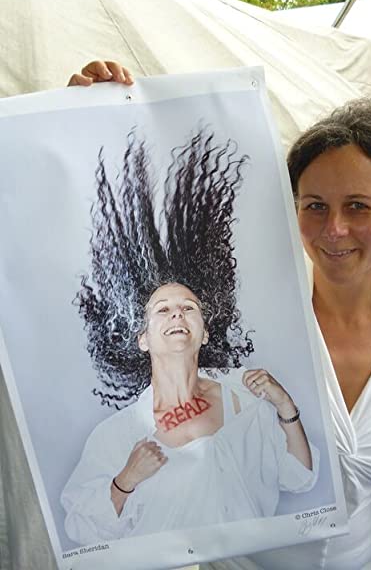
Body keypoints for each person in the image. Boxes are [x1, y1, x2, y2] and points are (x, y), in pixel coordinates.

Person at [69, 62, 371, 570]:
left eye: (358, 206)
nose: (334, 229)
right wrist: (88, 118)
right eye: (315, 206)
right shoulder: (262, 317)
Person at [60, 123, 318, 546]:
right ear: (143, 338)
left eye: (189, 308)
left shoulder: (248, 399)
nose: (177, 314)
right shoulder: (117, 434)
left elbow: (300, 478)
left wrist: (285, 407)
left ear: (205, 331)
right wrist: (126, 480)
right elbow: (82, 529)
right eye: (162, 309)